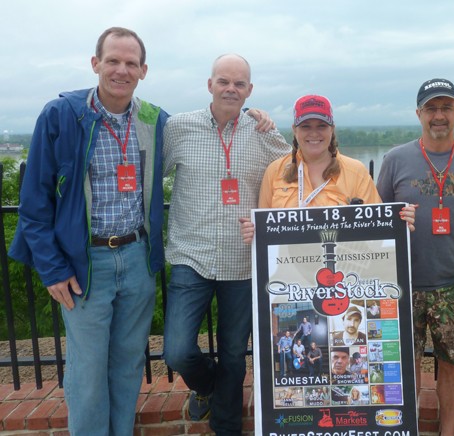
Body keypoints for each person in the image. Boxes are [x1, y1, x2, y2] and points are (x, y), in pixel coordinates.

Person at [9, 27, 166, 435]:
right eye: (112, 60)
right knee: (88, 369)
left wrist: (255, 120)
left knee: (129, 363)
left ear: (143, 70)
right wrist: (52, 268)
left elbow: (206, 137)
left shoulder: (153, 119)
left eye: (131, 63)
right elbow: (34, 203)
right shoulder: (61, 115)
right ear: (95, 63)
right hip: (85, 265)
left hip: (136, 258)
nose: (121, 70)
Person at [161, 53, 292, 435]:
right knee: (178, 350)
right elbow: (150, 174)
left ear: (249, 90)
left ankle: (227, 427)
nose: (231, 89)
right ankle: (207, 386)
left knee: (234, 354)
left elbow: (296, 172)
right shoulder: (179, 128)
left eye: (239, 84)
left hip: (242, 260)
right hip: (191, 255)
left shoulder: (263, 131)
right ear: (210, 85)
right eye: (224, 81)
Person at [376, 78, 454, 436]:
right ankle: (407, 429)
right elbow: (376, 220)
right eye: (431, 108)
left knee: (452, 366)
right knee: (404, 367)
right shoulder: (396, 159)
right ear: (419, 114)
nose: (439, 115)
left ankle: (448, 431)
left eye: (446, 107)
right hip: (402, 285)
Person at [239, 94, 415, 240]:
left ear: (332, 129)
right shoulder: (275, 171)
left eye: (321, 126)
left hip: (344, 274)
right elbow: (264, 229)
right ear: (294, 129)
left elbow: (378, 229)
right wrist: (254, 233)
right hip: (290, 275)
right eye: (306, 126)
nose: (314, 133)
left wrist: (399, 221)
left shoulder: (356, 171)